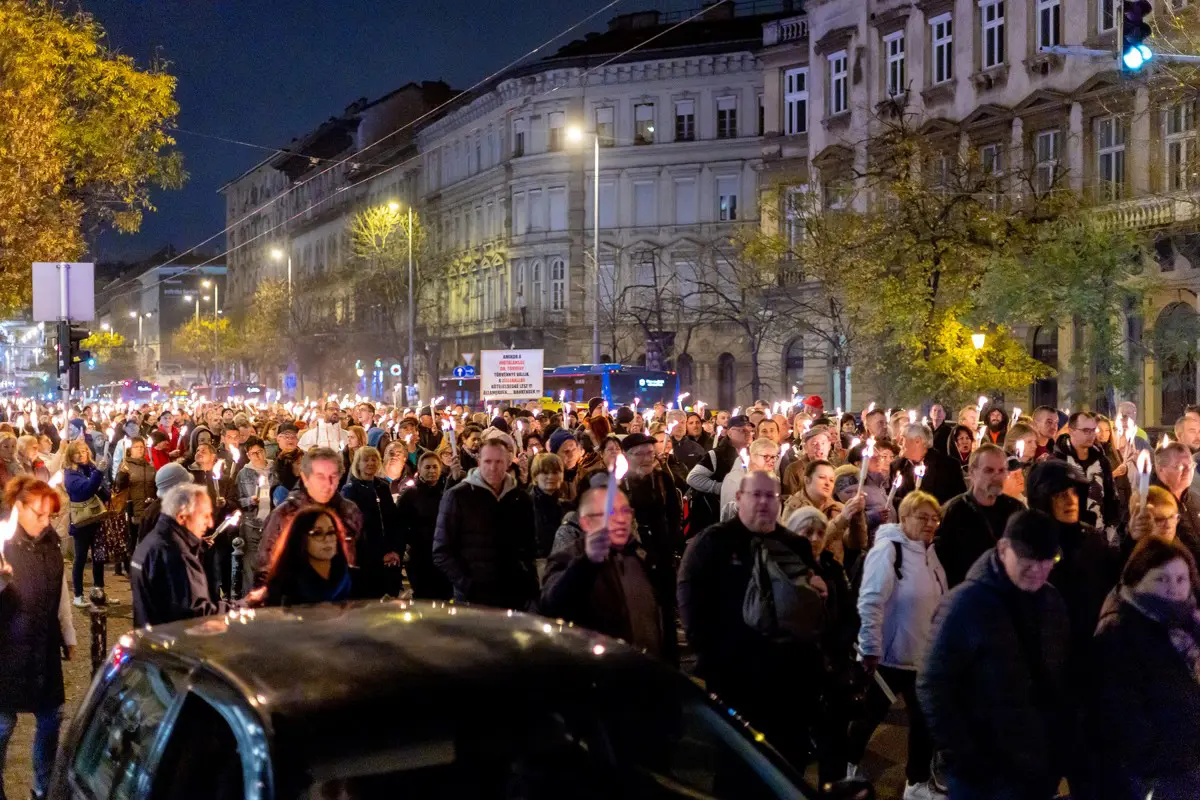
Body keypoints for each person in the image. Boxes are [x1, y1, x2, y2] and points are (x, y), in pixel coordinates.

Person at [918, 510, 1071, 799]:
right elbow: (933, 684)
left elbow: (1061, 673)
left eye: (1047, 560)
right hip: (984, 774)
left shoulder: (1051, 600)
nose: (1038, 568)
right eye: (1028, 558)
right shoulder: (964, 604)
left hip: (1037, 763)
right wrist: (964, 756)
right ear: (1003, 549)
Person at [678, 470, 824, 766]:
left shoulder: (795, 545)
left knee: (786, 760)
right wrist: (710, 652)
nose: (763, 502)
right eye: (756, 495)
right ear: (739, 498)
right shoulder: (714, 542)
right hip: (735, 673)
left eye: (770, 496)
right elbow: (690, 595)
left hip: (787, 676)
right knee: (739, 764)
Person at [847, 490, 947, 800]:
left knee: (924, 723)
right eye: (923, 517)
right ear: (904, 518)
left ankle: (915, 784)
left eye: (934, 518)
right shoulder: (889, 551)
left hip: (920, 657)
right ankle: (845, 768)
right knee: (867, 717)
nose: (930, 524)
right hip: (887, 657)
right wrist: (870, 647)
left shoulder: (930, 554)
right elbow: (871, 599)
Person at [1087, 535, 1200, 799]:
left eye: (1181, 579)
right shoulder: (1120, 630)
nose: (1174, 589)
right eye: (1161, 579)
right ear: (1137, 578)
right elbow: (1122, 717)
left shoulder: (1187, 623)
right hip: (1157, 776)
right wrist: (1169, 758)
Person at [0, 476, 74, 800]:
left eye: (50, 516)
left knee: (51, 716)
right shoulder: (4, 545)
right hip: (6, 648)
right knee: (2, 725)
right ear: (19, 506)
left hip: (42, 645)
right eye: (40, 514)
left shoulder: (49, 543)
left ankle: (43, 788)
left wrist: (67, 633)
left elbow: (60, 591)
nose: (46, 522)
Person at [539, 484, 662, 655]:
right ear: (586, 522)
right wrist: (586, 563)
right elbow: (552, 606)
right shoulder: (568, 557)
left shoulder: (636, 555)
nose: (621, 519)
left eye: (625, 511)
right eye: (610, 513)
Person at [433, 434, 538, 609]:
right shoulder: (458, 496)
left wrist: (528, 581)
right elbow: (441, 550)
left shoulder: (520, 498)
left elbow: (528, 546)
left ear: (508, 463)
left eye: (499, 462)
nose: (493, 468)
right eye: (488, 461)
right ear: (479, 462)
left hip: (512, 595)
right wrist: (467, 584)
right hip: (473, 597)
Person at [256, 447, 364, 587]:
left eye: (334, 476)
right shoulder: (285, 514)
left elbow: (362, 556)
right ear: (305, 478)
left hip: (343, 597)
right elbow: (265, 564)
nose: (328, 483)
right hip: (297, 599)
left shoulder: (349, 511)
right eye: (320, 477)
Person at [130, 483, 222, 627]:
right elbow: (194, 612)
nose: (210, 523)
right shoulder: (175, 554)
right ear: (182, 516)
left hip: (151, 634)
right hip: (170, 640)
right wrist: (241, 607)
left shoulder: (156, 540)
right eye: (204, 515)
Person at [934, 445, 1024, 588]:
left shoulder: (1015, 509)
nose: (996, 477)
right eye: (989, 470)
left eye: (1001, 470)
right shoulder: (954, 511)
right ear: (972, 472)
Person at [252, 506, 357, 606]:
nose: (327, 539)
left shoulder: (357, 579)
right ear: (301, 539)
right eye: (317, 533)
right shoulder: (285, 587)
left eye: (331, 532)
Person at [340, 445, 403, 598]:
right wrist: (377, 556)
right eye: (366, 460)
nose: (370, 463)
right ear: (358, 464)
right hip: (366, 561)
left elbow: (393, 521)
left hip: (389, 559)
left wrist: (395, 550)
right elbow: (355, 530)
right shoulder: (350, 491)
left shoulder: (382, 486)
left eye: (374, 459)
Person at [781, 460, 867, 564]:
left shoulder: (837, 508)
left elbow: (856, 544)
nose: (827, 483)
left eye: (831, 480)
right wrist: (841, 519)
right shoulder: (794, 507)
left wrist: (857, 516)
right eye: (822, 478)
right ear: (807, 480)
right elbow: (802, 546)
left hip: (834, 572)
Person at [1051, 411, 1119, 543]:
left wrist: (1110, 530)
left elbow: (1112, 496)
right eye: (1086, 430)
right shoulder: (1057, 461)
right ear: (1071, 431)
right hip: (1066, 535)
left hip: (1099, 534)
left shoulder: (1102, 460)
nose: (1091, 435)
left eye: (1093, 430)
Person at [397, 451, 452, 600]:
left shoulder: (447, 492)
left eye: (435, 467)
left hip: (443, 555)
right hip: (420, 557)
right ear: (419, 470)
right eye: (427, 467)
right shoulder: (410, 495)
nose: (432, 471)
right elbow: (400, 524)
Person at [686, 414, 753, 536]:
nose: (748, 432)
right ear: (730, 433)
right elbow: (693, 477)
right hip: (717, 514)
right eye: (742, 430)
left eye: (750, 430)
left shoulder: (753, 454)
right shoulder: (716, 455)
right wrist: (722, 488)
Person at [63, 438, 111, 607]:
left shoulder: (90, 468)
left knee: (99, 557)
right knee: (81, 558)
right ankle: (78, 595)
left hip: (96, 520)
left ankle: (99, 592)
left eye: (84, 451)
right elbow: (86, 490)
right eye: (77, 452)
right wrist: (98, 472)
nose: (82, 455)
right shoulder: (70, 474)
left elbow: (101, 490)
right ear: (70, 455)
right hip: (82, 523)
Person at [890, 422, 966, 508]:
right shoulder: (897, 466)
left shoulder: (949, 466)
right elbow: (890, 497)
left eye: (903, 439)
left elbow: (959, 500)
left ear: (917, 441)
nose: (899, 443)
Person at [1150, 441, 1200, 568]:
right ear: (1161, 469)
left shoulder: (1193, 499)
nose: (1188, 471)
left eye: (1191, 465)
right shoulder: (1151, 504)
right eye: (1180, 466)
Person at [234, 436, 272, 598]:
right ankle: (250, 598)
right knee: (251, 565)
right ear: (248, 455)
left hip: (272, 522)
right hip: (252, 524)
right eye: (252, 453)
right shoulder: (244, 473)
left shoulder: (274, 468)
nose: (257, 456)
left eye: (259, 452)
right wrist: (250, 500)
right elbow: (237, 501)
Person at [720, 437, 779, 520]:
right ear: (752, 456)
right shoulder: (735, 480)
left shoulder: (772, 478)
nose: (772, 461)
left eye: (774, 457)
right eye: (766, 456)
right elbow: (728, 514)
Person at [530, 451, 571, 560]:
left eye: (555, 472)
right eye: (545, 472)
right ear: (535, 475)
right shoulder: (526, 505)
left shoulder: (566, 506)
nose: (551, 476)